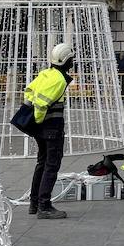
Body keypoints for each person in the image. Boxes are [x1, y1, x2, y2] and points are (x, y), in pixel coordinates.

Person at [25, 42, 75, 219]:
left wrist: (35, 123)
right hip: (51, 127)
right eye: (71, 59)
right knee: (51, 166)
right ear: (66, 61)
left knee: (42, 162)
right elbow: (42, 102)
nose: (73, 62)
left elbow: (29, 92)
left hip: (40, 128)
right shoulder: (59, 80)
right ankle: (44, 206)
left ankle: (34, 202)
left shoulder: (45, 73)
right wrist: (39, 119)